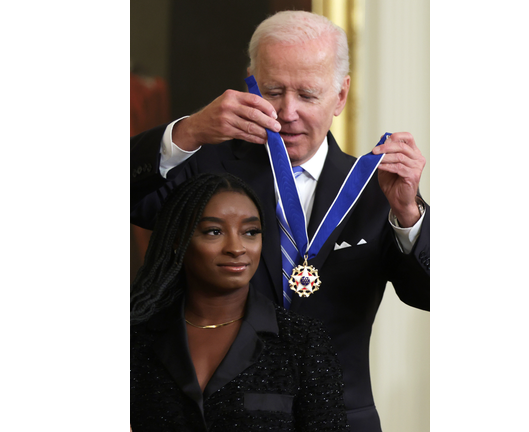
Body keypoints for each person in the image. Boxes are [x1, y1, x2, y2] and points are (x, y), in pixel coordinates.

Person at [130, 10, 429, 431]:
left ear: (341, 95)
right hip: (221, 420)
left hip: (342, 419)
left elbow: (429, 295)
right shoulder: (205, 170)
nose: (287, 113)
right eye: (273, 91)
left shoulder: (378, 189)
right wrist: (188, 132)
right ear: (249, 81)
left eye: (307, 95)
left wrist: (409, 215)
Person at [130, 172, 349, 432]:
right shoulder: (137, 337)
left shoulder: (302, 341)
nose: (236, 248)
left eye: (250, 232)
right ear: (179, 240)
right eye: (214, 231)